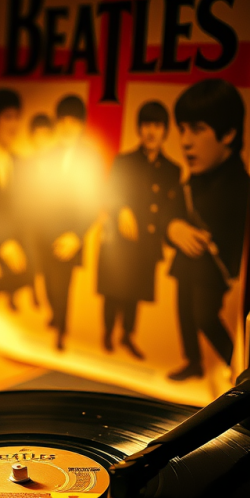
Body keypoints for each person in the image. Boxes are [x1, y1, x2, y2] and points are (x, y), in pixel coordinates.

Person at [165, 79, 250, 381]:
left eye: (197, 129)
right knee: (184, 314)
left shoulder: (242, 187)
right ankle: (193, 362)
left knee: (204, 315)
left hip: (213, 269)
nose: (185, 142)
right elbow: (170, 213)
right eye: (182, 129)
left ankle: (238, 365)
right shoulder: (193, 179)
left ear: (228, 133)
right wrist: (174, 228)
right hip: (187, 263)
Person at [98, 101, 183, 359]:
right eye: (146, 125)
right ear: (139, 129)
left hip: (147, 242)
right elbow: (109, 192)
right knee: (113, 290)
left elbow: (171, 208)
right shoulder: (124, 161)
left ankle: (127, 336)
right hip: (119, 241)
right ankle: (107, 333)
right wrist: (121, 208)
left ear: (165, 130)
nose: (151, 131)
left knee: (134, 293)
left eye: (157, 125)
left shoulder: (172, 170)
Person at [29, 95, 104, 350]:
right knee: (49, 284)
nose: (67, 127)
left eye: (73, 121)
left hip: (70, 235)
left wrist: (76, 235)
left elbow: (93, 204)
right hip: (43, 232)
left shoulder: (90, 157)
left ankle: (61, 331)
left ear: (81, 124)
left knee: (63, 286)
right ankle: (55, 317)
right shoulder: (48, 154)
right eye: (62, 121)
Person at [0, 88, 34, 310]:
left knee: (35, 270)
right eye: (8, 117)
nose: (14, 125)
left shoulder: (20, 162)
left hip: (19, 239)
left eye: (17, 117)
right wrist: (4, 242)